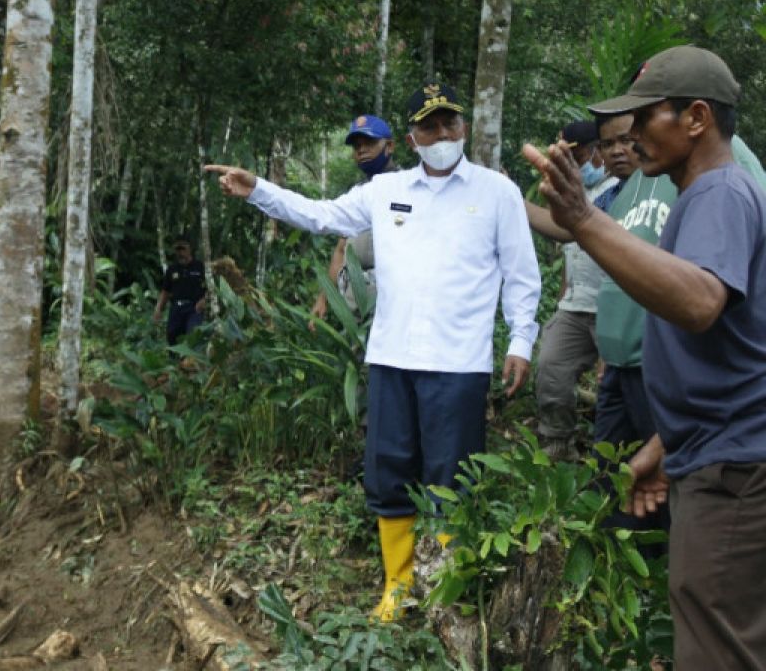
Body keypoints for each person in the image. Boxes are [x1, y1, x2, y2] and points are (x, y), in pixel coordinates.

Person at [206, 81, 541, 621]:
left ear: (464, 128)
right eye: (429, 127)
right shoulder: (386, 192)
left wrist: (521, 340)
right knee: (389, 472)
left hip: (458, 364)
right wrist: (258, 189)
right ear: (411, 137)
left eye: (449, 123)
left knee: (452, 477)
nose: (442, 135)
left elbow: (522, 274)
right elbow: (321, 215)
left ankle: (444, 589)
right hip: (391, 358)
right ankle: (399, 585)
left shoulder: (496, 191)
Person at [524, 45, 766, 667]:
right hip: (713, 452)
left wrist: (583, 219)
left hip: (736, 470)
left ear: (697, 119)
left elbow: (700, 301)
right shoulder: (701, 196)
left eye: (646, 115)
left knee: (718, 645)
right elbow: (734, 353)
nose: (629, 133)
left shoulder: (720, 193)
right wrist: (661, 451)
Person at [523, 120, 618, 461]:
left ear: (597, 150)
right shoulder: (575, 192)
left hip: (611, 306)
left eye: (577, 155)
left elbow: (572, 232)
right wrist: (565, 294)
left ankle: (611, 457)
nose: (576, 163)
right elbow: (571, 251)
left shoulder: (619, 190)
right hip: (576, 305)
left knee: (614, 384)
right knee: (551, 366)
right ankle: (557, 441)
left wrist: (516, 200)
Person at [310, 113, 399, 326]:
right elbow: (341, 250)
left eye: (369, 142)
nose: (361, 150)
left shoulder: (408, 188)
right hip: (355, 304)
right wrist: (324, 298)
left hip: (394, 305)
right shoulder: (356, 196)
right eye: (357, 146)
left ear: (390, 146)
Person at [153, 238, 207, 345]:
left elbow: (210, 288)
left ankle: (191, 360)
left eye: (183, 249)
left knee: (193, 334)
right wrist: (158, 309)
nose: (180, 253)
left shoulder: (200, 267)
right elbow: (165, 292)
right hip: (177, 308)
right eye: (178, 250)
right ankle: (175, 360)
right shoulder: (172, 269)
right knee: (172, 335)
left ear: (189, 249)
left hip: (194, 308)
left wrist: (204, 300)